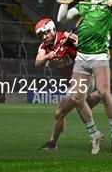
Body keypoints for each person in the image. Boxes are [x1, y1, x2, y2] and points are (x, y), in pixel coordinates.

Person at [57, 0, 112, 154]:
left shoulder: (110, 4)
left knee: (104, 92)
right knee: (76, 98)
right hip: (82, 57)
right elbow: (62, 18)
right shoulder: (84, 5)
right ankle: (94, 134)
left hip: (100, 56)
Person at [34, 18, 102, 150]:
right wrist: (48, 56)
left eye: (46, 33)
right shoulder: (44, 47)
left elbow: (88, 49)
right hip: (73, 83)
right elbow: (37, 61)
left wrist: (75, 43)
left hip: (85, 76)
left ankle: (94, 134)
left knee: (69, 106)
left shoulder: (67, 38)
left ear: (53, 30)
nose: (44, 37)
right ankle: (99, 96)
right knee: (61, 113)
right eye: (40, 35)